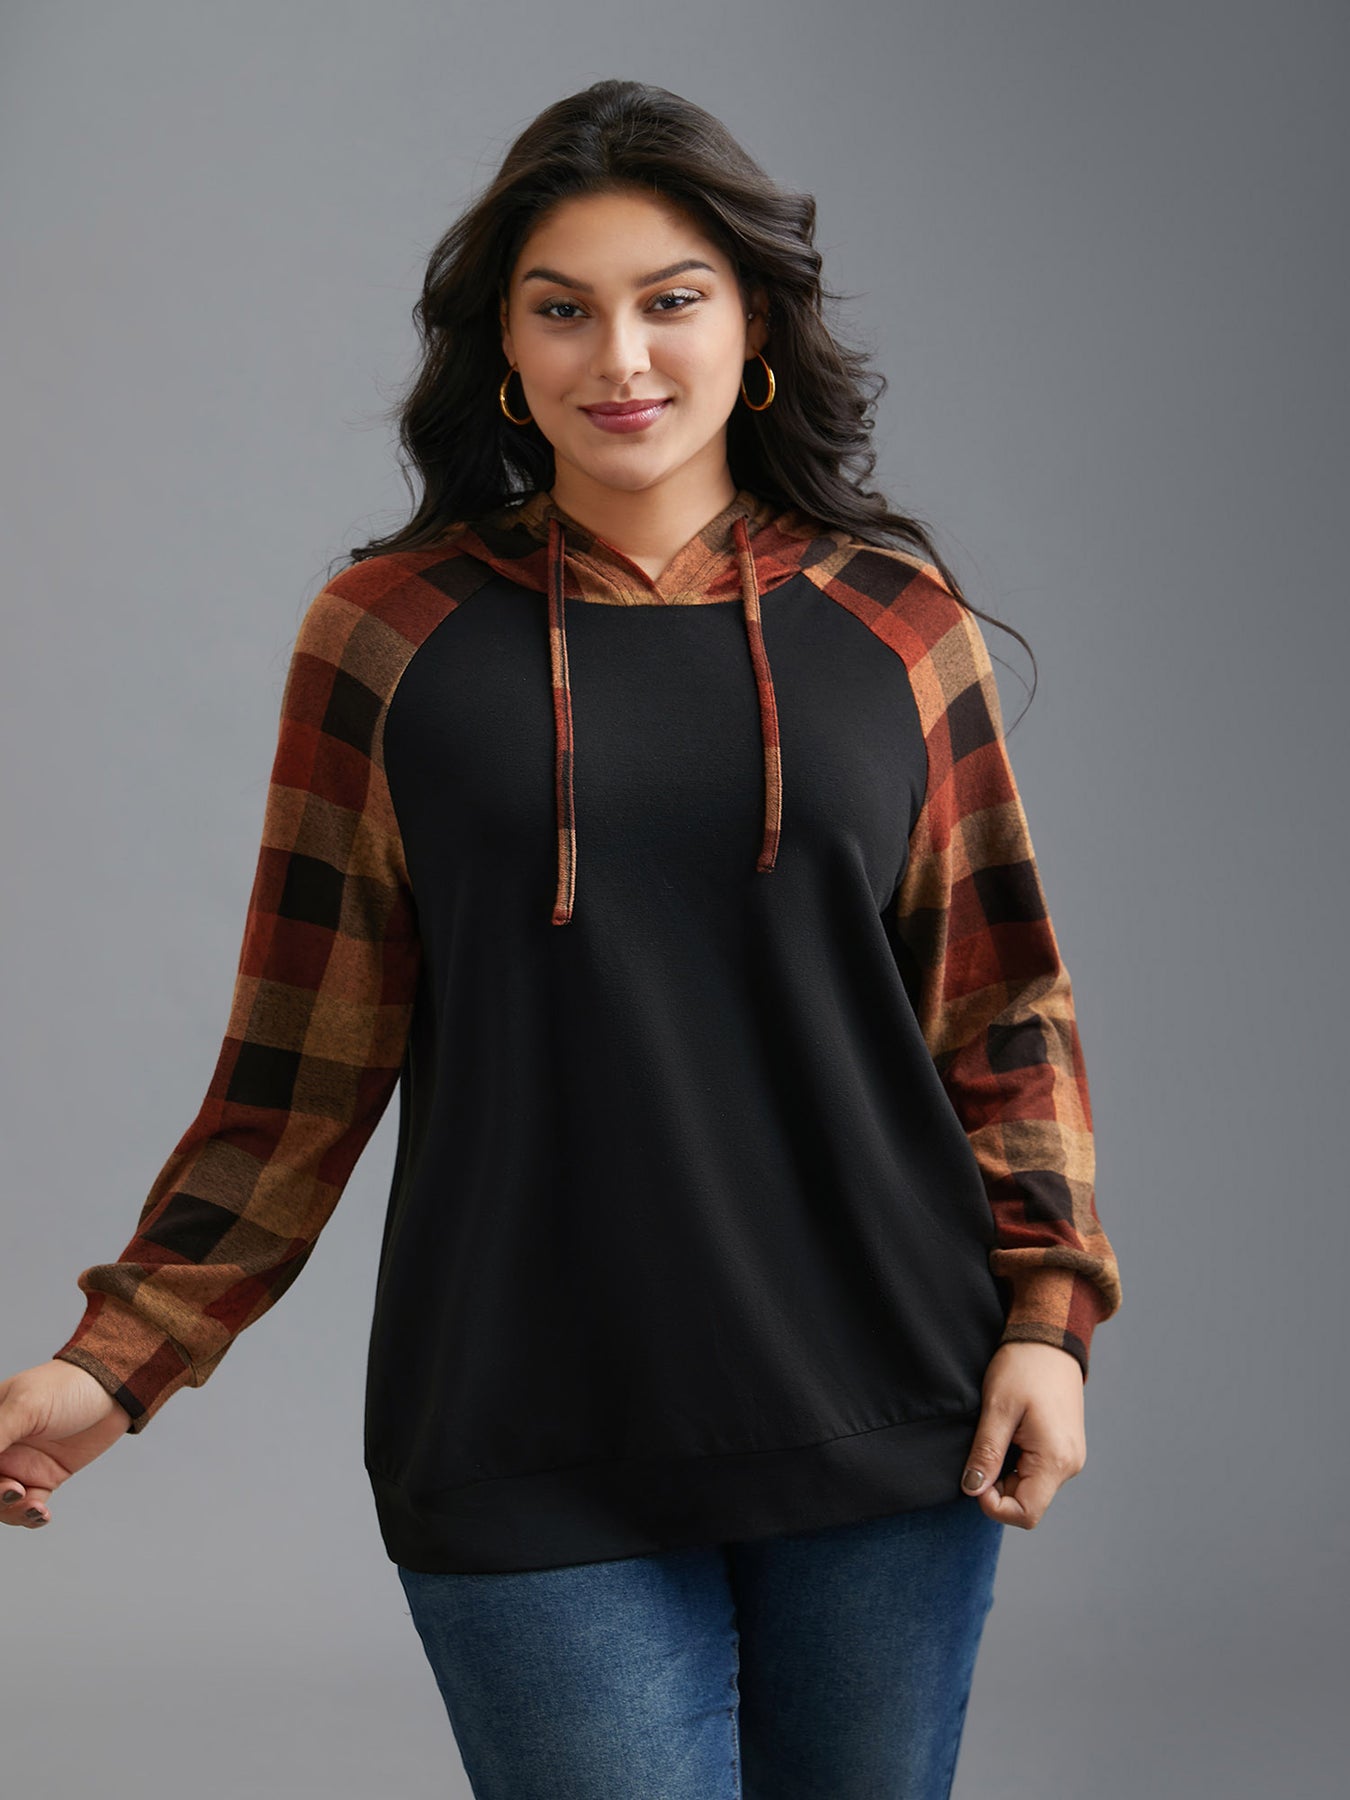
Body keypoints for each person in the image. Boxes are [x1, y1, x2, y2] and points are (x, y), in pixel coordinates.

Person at [1, 77, 1122, 1800]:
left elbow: (1002, 1010)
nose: (621, 357)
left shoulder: (897, 630)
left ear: (752, 329)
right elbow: (300, 1062)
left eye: (670, 299)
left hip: (890, 1409)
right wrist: (116, 1365)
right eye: (562, 310)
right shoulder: (387, 636)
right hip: (518, 1422)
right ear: (505, 353)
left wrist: (1044, 1319)